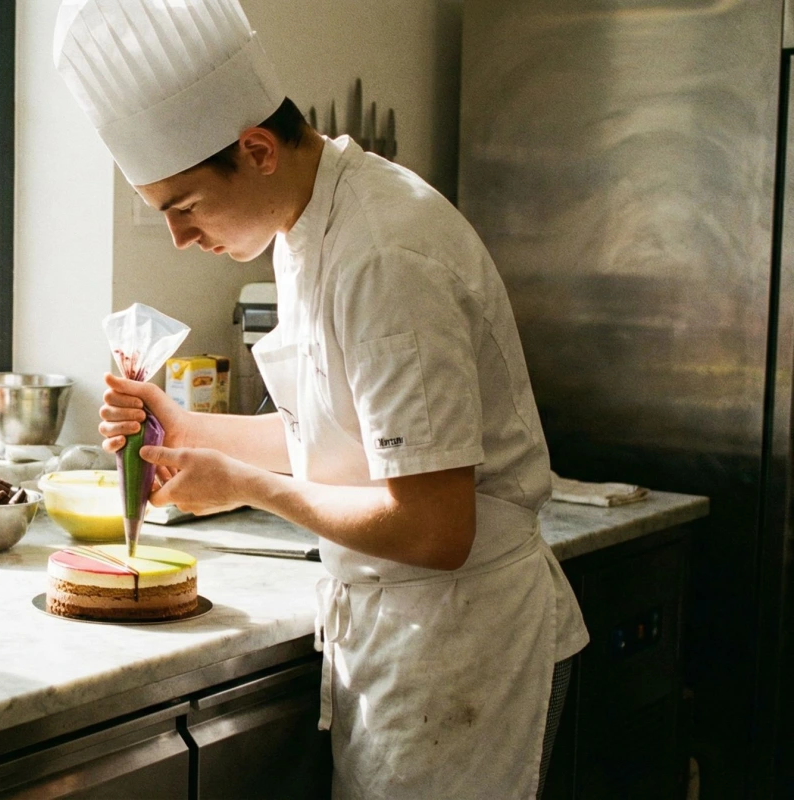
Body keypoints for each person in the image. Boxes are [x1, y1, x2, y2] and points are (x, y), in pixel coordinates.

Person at [54, 1, 589, 797]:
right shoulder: (307, 225)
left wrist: (248, 487)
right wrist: (188, 427)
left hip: (460, 643)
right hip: (401, 636)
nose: (180, 239)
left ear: (257, 150)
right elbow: (341, 436)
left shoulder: (385, 255)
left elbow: (437, 526)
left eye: (185, 207)